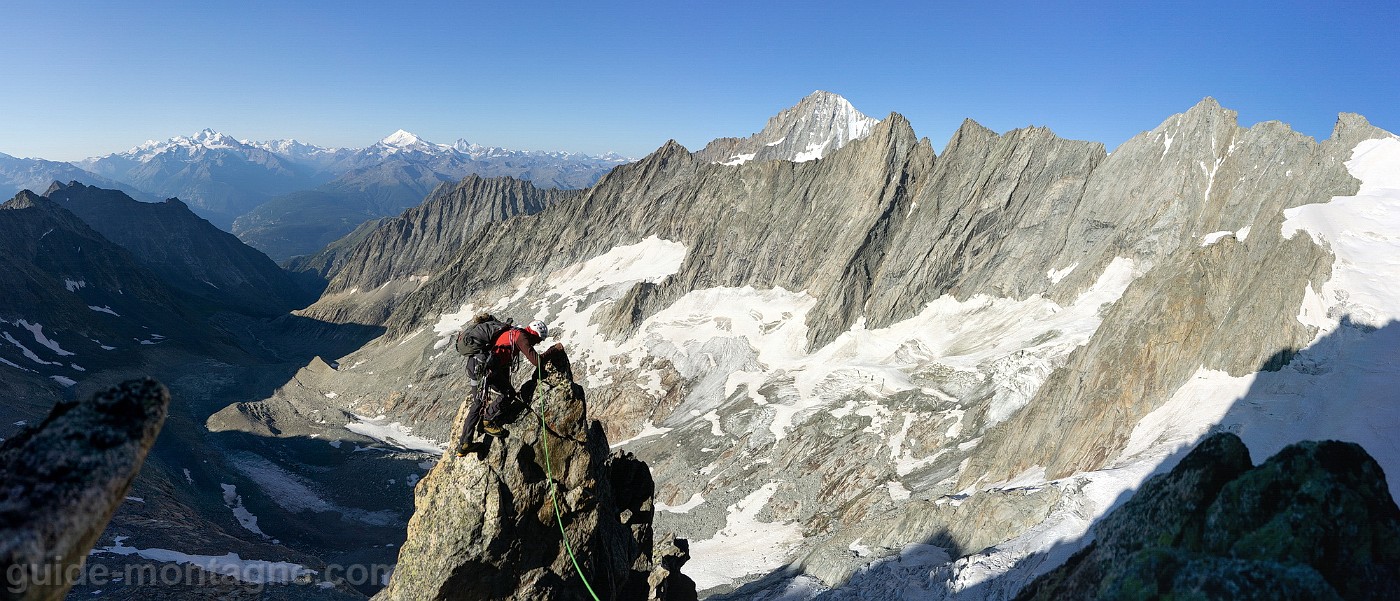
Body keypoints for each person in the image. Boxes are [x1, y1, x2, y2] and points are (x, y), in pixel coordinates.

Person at [457, 319, 564, 455]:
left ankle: (470, 438)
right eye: (538, 340)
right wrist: (552, 351)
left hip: (477, 365)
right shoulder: (521, 337)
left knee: (489, 399)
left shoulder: (513, 333)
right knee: (497, 397)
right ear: (535, 334)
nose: (538, 343)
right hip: (484, 369)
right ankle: (481, 427)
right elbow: (536, 361)